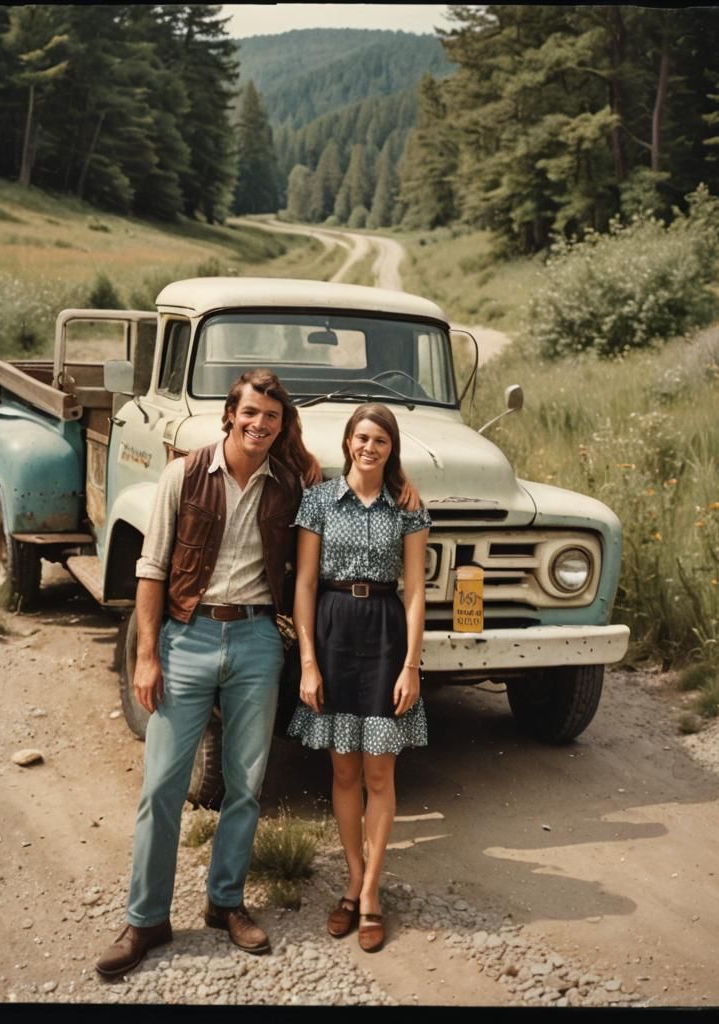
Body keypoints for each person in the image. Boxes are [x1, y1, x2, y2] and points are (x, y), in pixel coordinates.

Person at [95, 369, 317, 979]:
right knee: (163, 786)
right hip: (188, 637)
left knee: (245, 785)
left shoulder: (289, 485)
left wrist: (398, 488)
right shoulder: (184, 474)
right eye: (250, 413)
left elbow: (340, 512)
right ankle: (146, 919)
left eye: (271, 417)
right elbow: (151, 566)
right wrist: (146, 654)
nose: (259, 424)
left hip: (256, 641)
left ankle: (225, 905)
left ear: (281, 424)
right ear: (230, 414)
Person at [287, 402, 430, 954]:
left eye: (381, 441)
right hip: (332, 631)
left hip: (386, 634)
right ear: (348, 441)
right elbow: (303, 584)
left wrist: (411, 665)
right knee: (344, 770)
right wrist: (307, 661)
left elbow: (416, 590)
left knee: (379, 773)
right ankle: (351, 877)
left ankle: (371, 892)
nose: (369, 447)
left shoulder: (408, 507)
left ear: (392, 450)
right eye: (362, 437)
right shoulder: (319, 499)